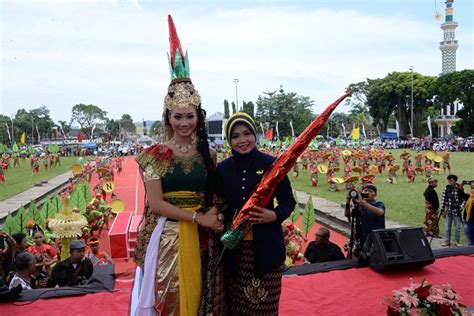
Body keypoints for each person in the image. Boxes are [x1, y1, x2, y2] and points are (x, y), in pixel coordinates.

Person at [130, 15, 224, 316]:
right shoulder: (154, 154)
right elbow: (156, 204)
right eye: (178, 116)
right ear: (167, 117)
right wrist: (198, 220)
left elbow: (214, 194)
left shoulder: (207, 154)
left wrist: (212, 213)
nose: (184, 123)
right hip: (168, 235)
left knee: (202, 300)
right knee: (170, 300)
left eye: (190, 116)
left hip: (203, 236)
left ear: (198, 117)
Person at [215, 112, 296, 315]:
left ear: (255, 135)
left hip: (266, 248)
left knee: (264, 307)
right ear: (228, 140)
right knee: (237, 308)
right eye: (235, 136)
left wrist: (274, 216)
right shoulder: (223, 169)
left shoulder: (273, 165)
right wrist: (218, 216)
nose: (242, 140)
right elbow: (218, 203)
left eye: (247, 133)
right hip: (235, 251)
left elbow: (289, 202)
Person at [344, 184, 386, 253]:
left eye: (371, 191)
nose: (368, 192)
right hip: (362, 237)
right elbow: (347, 214)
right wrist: (347, 202)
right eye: (365, 190)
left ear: (375, 194)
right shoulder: (360, 206)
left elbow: (380, 212)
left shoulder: (379, 204)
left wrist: (363, 203)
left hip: (375, 238)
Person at [440, 174, 465, 247]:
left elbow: (464, 200)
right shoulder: (446, 188)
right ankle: (447, 241)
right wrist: (443, 210)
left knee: (457, 227)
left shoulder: (460, 189)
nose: (450, 182)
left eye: (451, 181)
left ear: (455, 180)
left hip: (457, 211)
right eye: (449, 181)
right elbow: (443, 199)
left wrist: (461, 206)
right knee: (447, 227)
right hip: (448, 211)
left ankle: (457, 241)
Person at [462, 180, 474, 246]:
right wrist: (462, 185)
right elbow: (461, 194)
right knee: (470, 241)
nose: (472, 190)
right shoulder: (468, 197)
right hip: (467, 221)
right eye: (471, 188)